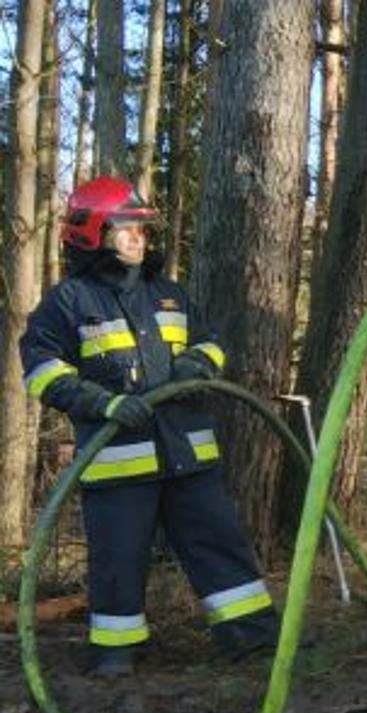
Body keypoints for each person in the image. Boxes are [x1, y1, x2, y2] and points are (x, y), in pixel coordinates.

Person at [18, 176, 279, 678]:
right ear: (93, 232)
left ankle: (254, 640)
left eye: (142, 229)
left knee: (220, 547)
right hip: (118, 463)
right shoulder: (68, 303)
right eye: (127, 228)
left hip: (188, 457)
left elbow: (210, 342)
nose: (139, 239)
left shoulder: (168, 296)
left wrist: (198, 363)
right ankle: (116, 654)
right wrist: (103, 403)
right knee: (118, 563)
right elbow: (43, 371)